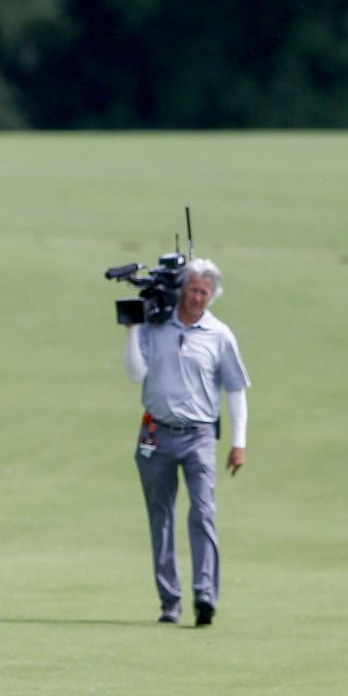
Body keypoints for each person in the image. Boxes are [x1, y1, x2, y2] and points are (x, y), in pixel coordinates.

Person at [122, 257, 251, 627]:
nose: (197, 298)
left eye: (204, 292)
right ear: (182, 289)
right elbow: (135, 374)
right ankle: (170, 600)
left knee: (203, 513)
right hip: (154, 434)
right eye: (193, 289)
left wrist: (239, 442)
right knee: (159, 515)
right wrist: (132, 329)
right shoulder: (156, 327)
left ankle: (204, 594)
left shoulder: (219, 334)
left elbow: (236, 389)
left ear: (212, 295)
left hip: (199, 437)